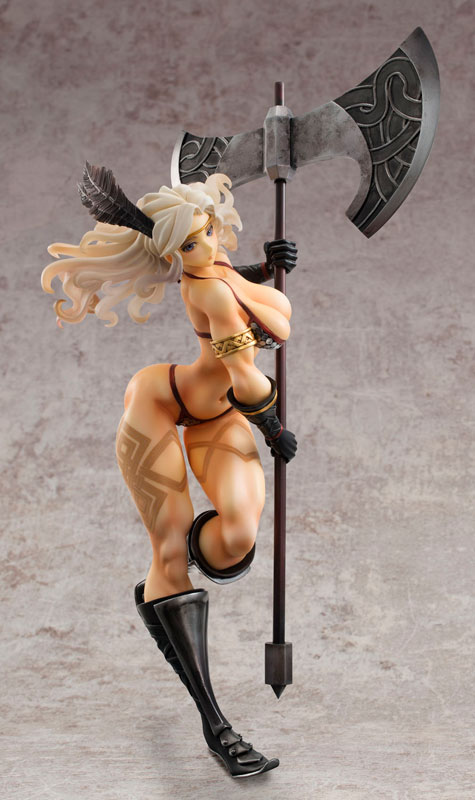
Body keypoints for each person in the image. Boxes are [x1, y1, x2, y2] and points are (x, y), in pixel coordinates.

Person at [42, 164, 298, 778]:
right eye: (186, 245)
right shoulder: (203, 288)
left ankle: (165, 588)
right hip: (159, 404)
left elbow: (224, 278)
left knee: (236, 538)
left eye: (205, 231)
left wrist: (265, 267)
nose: (203, 247)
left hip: (214, 416)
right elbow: (245, 378)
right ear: (170, 254)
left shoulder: (214, 270)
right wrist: (273, 429)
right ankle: (216, 724)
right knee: (170, 547)